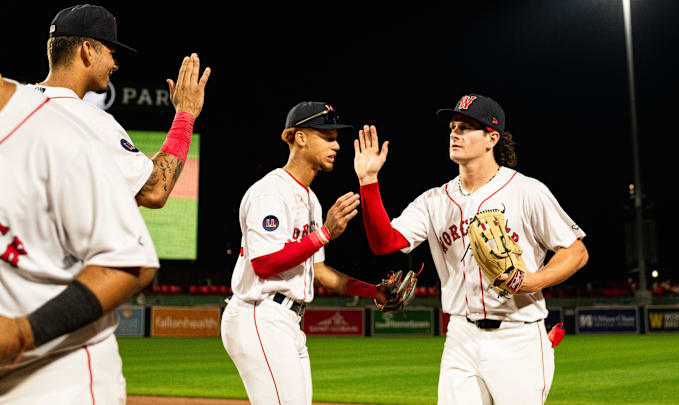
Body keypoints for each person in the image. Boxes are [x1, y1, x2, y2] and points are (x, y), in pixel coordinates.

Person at [353, 93, 589, 404]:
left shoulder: (527, 191)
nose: (455, 133)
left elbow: (576, 252)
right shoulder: (434, 200)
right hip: (461, 336)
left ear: (492, 138)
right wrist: (369, 181)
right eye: (453, 127)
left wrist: (531, 281)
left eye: (465, 127)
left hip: (517, 336)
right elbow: (384, 243)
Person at [0, 74, 159, 403]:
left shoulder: (58, 134)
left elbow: (130, 261)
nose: (116, 64)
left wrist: (22, 333)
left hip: (50, 376)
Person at [221, 102, 390, 405]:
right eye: (327, 137)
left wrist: (373, 292)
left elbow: (321, 272)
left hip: (288, 321)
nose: (336, 144)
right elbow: (263, 264)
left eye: (336, 137)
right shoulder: (272, 192)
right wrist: (324, 233)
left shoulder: (311, 199)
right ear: (300, 138)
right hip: (259, 313)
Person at [33, 4, 211, 208]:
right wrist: (185, 114)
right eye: (112, 53)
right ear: (87, 51)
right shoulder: (91, 123)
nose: (115, 65)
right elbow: (154, 190)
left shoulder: (12, 102)